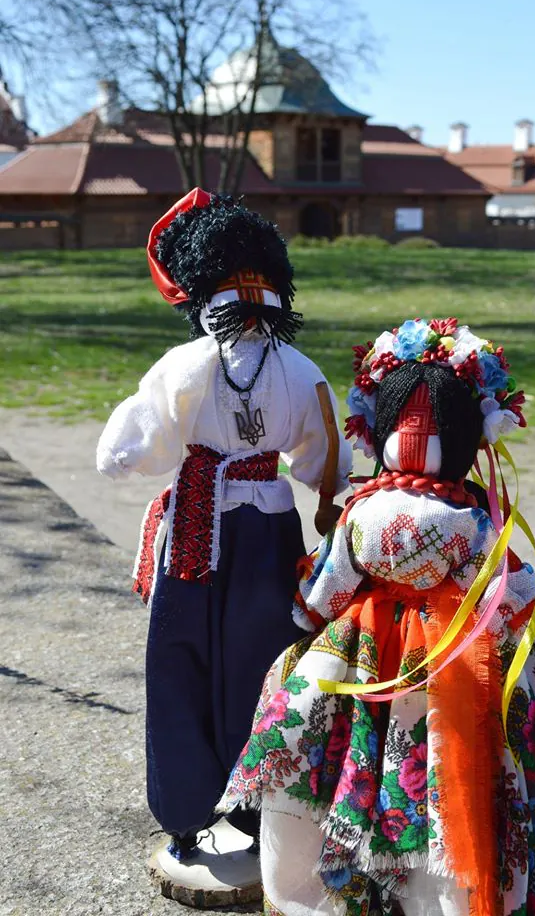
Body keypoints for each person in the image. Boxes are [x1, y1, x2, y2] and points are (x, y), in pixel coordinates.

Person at [218, 317, 535, 915]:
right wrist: (525, 618)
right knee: (468, 766)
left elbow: (324, 594)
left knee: (318, 733)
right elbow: (513, 590)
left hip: (363, 651)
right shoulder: (471, 519)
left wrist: (304, 615)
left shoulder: (362, 512)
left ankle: (329, 889)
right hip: (460, 648)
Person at [96, 188, 351, 860]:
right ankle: (253, 805)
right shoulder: (299, 370)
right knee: (261, 664)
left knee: (183, 661)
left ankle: (187, 811)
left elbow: (130, 452)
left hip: (199, 531)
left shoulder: (182, 366)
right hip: (266, 531)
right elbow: (324, 462)